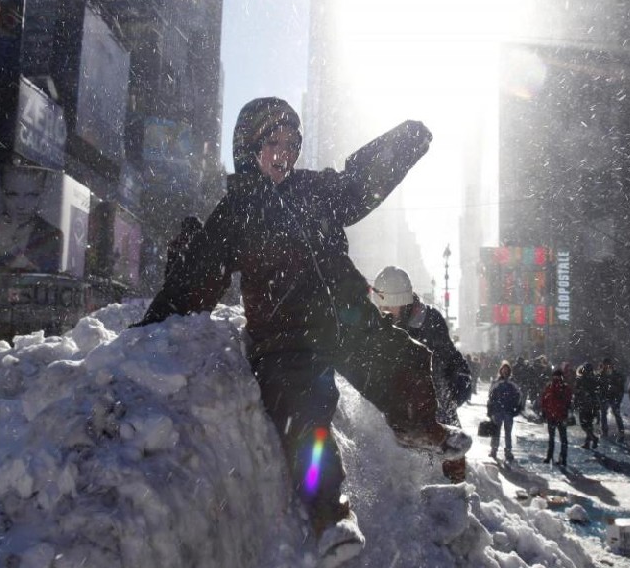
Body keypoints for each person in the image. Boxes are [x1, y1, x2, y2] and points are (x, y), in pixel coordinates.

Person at [135, 97, 470, 565]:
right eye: (272, 142)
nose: (284, 152)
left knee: (405, 358)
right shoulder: (237, 211)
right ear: (248, 148)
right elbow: (197, 278)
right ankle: (328, 514)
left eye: (291, 142)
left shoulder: (313, 191)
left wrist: (402, 143)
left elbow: (357, 183)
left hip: (347, 321)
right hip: (285, 342)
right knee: (304, 415)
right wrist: (151, 325)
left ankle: (417, 426)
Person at [371, 266, 472, 426]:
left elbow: (440, 374)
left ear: (403, 302)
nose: (384, 312)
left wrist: (442, 412)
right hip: (397, 417)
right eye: (381, 307)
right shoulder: (380, 324)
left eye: (389, 306)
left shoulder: (430, 322)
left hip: (435, 416)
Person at [0, 165, 63, 274]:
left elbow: (48, 284)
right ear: (1, 191)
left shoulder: (52, 237)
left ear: (42, 193)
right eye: (12, 194)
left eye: (32, 195)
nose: (21, 205)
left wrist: (9, 251)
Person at [487, 360, 523, 462]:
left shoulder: (512, 383)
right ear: (501, 370)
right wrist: (490, 410)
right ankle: (494, 450)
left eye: (507, 370)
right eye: (504, 369)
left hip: (508, 412)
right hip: (498, 411)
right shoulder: (496, 382)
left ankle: (508, 451)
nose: (505, 371)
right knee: (496, 432)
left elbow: (519, 397)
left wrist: (516, 409)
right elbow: (490, 397)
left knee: (507, 433)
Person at [540, 367, 573, 466]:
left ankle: (551, 457)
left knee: (553, 438)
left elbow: (544, 399)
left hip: (554, 415)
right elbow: (568, 401)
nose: (556, 378)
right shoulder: (564, 387)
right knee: (562, 438)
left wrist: (544, 410)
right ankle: (562, 458)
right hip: (559, 416)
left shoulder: (550, 386)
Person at [598, 357, 626, 443]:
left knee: (614, 415)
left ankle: (620, 433)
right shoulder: (602, 374)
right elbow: (599, 386)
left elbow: (621, 387)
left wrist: (618, 396)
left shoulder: (614, 374)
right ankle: (605, 431)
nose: (607, 366)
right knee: (605, 414)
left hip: (612, 397)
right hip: (607, 397)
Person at [574, 362, 600, 450]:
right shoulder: (594, 379)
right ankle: (588, 443)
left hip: (585, 405)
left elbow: (577, 393)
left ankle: (593, 438)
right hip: (592, 405)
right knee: (589, 425)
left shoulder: (581, 379)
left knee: (584, 425)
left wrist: (576, 403)